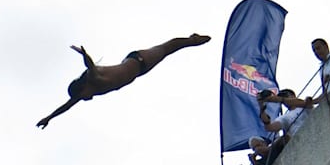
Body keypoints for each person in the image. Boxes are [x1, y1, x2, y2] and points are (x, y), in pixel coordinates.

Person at [36, 34, 211, 128]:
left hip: (139, 60)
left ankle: (192, 40)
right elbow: (66, 106)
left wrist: (84, 54)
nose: (86, 99)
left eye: (83, 96)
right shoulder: (89, 92)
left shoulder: (94, 79)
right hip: (138, 71)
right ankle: (191, 40)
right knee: (166, 51)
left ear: (83, 88)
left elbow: (90, 66)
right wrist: (49, 117)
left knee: (167, 48)